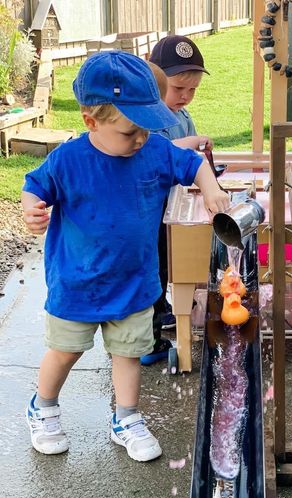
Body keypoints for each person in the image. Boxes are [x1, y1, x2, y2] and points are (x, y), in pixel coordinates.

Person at [22, 50, 229, 461]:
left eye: (147, 129)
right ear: (90, 121)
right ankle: (43, 407)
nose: (140, 139)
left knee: (128, 353)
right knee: (66, 351)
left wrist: (212, 190)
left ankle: (127, 417)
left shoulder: (152, 151)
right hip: (78, 284)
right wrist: (32, 208)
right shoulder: (69, 160)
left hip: (134, 283)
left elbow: (193, 164)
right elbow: (34, 184)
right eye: (131, 131)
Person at [140, 35, 213, 365]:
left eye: (192, 90)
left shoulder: (182, 117)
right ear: (155, 81)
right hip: (151, 211)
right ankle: (150, 340)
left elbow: (189, 160)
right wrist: (193, 142)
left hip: (174, 205)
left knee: (170, 263)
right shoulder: (147, 118)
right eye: (178, 89)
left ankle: (166, 309)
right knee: (153, 268)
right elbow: (161, 153)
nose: (185, 97)